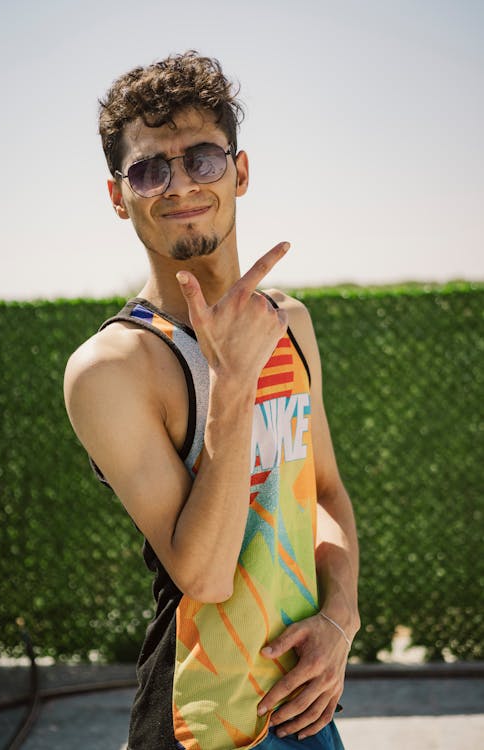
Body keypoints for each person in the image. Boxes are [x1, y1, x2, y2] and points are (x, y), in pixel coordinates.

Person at [64, 51, 360, 750]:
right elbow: (203, 572)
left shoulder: (287, 322)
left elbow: (323, 493)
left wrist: (339, 621)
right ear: (118, 196)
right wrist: (231, 387)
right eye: (148, 169)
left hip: (305, 701)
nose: (178, 185)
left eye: (202, 158)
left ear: (241, 171)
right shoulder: (112, 368)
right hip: (201, 719)